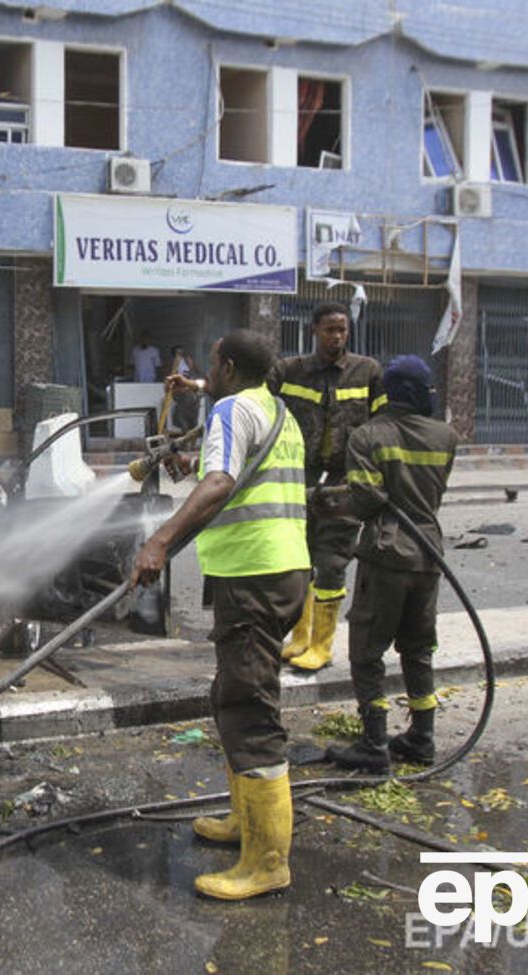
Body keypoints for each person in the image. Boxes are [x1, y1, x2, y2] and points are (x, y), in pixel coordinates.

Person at [132, 329, 309, 901]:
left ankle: (266, 861)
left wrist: (159, 539)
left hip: (253, 576)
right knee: (230, 694)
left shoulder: (232, 409)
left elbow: (221, 481)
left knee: (249, 707)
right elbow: (229, 479)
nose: (210, 373)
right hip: (282, 571)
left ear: (229, 367)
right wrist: (190, 452)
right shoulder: (276, 409)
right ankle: (245, 823)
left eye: (212, 365)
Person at [321, 355, 458, 771]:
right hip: (429, 554)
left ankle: (375, 742)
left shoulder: (369, 435)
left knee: (366, 650)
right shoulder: (446, 436)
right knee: (418, 649)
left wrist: (328, 502)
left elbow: (366, 501)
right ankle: (422, 737)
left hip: (386, 555)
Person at [268, 302, 383, 672]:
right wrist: (201, 385)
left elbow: (384, 423)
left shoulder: (367, 372)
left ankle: (322, 645)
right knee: (299, 560)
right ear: (313, 330)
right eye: (330, 329)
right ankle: (299, 637)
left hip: (343, 481)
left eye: (342, 330)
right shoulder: (290, 371)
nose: (337, 336)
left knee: (331, 561)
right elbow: (249, 393)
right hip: (299, 477)